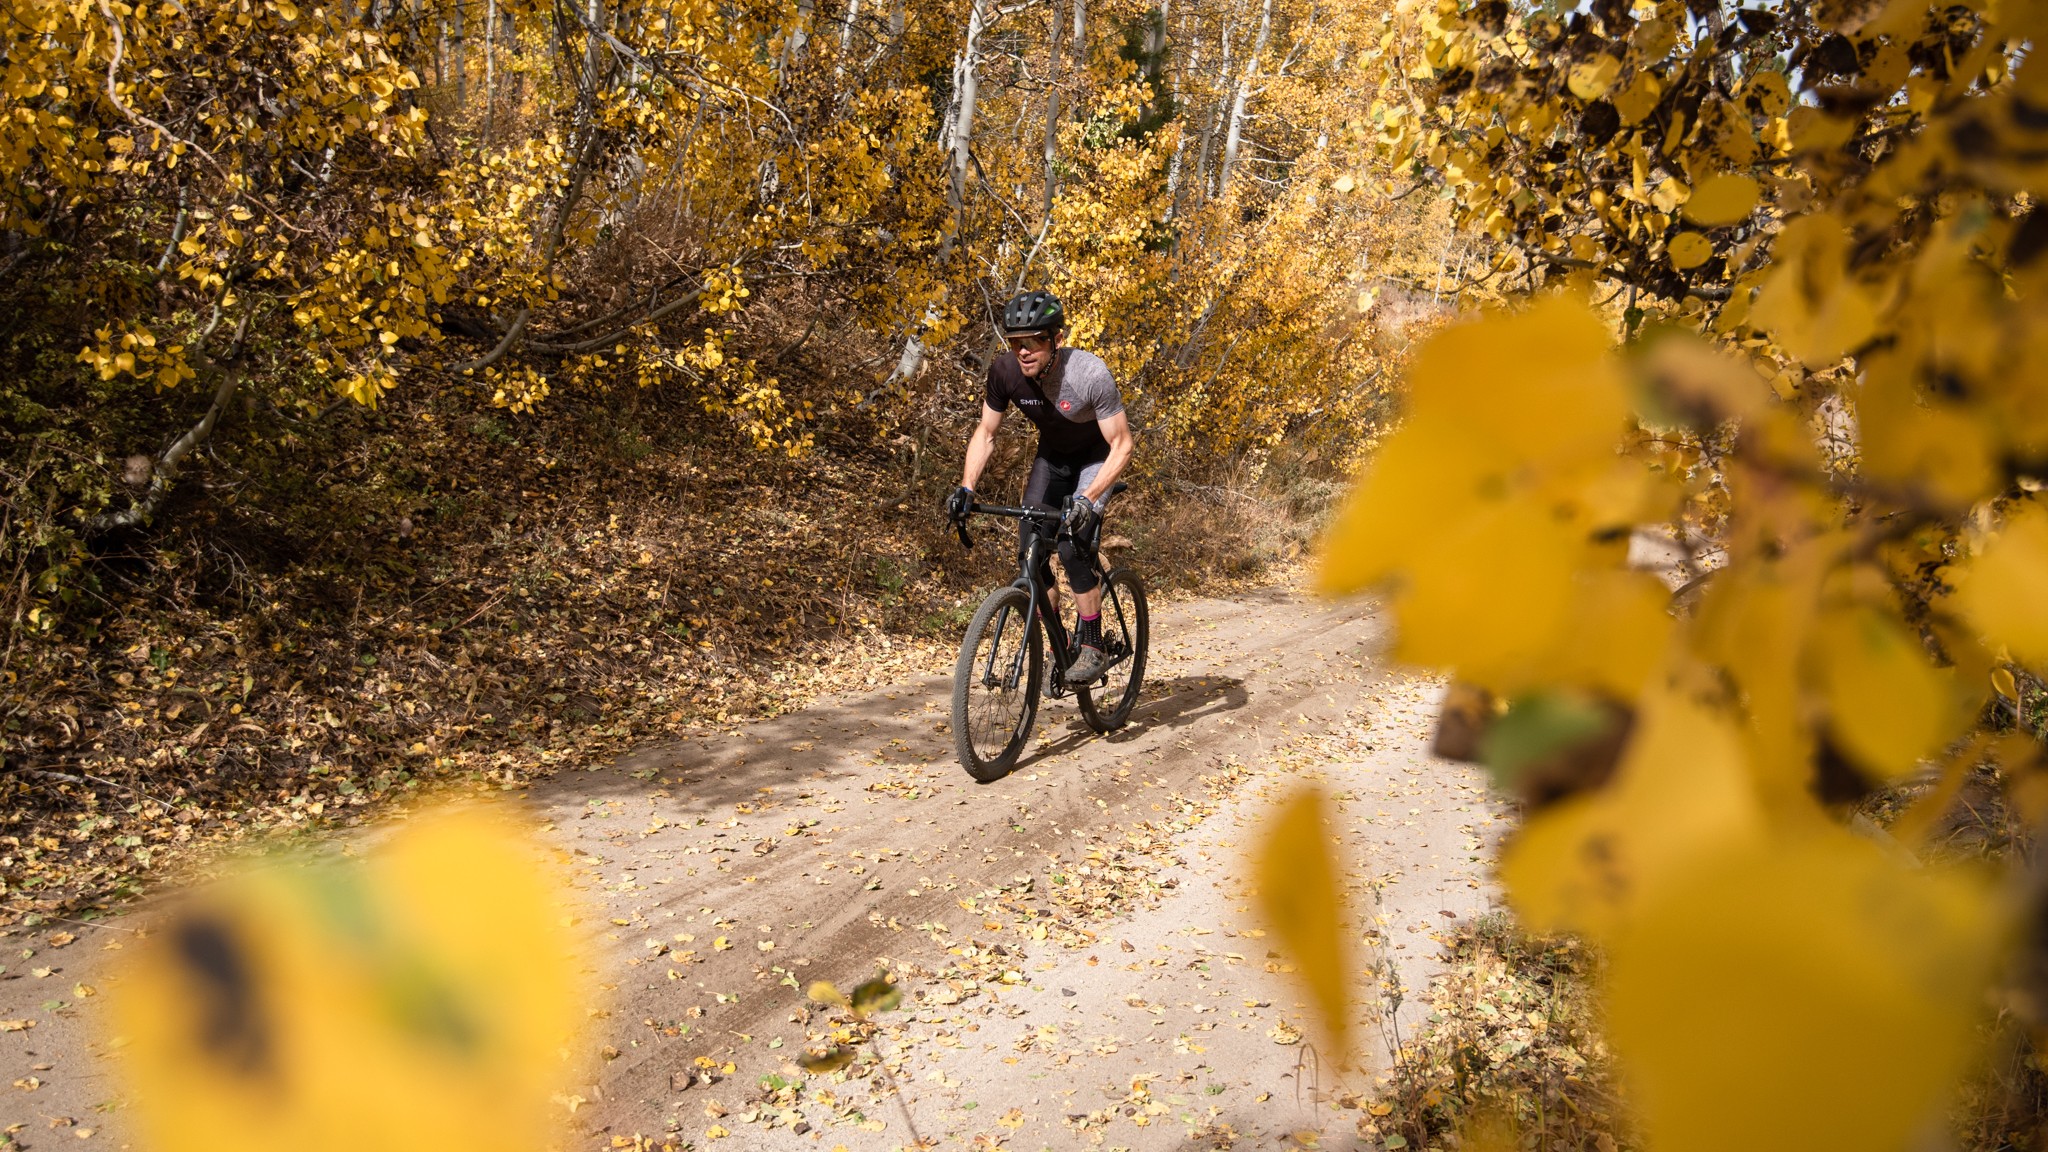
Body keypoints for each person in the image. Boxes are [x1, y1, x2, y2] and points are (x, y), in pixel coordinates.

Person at [947, 289, 1134, 684]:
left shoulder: (1088, 374)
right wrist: (966, 488)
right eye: (1016, 342)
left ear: (1057, 340)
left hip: (1096, 460)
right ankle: (1059, 643)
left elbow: (1122, 445)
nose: (1023, 351)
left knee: (1069, 545)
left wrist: (1087, 499)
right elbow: (986, 433)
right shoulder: (1004, 373)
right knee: (1030, 551)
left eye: (1033, 341)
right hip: (1053, 460)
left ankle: (1093, 644)